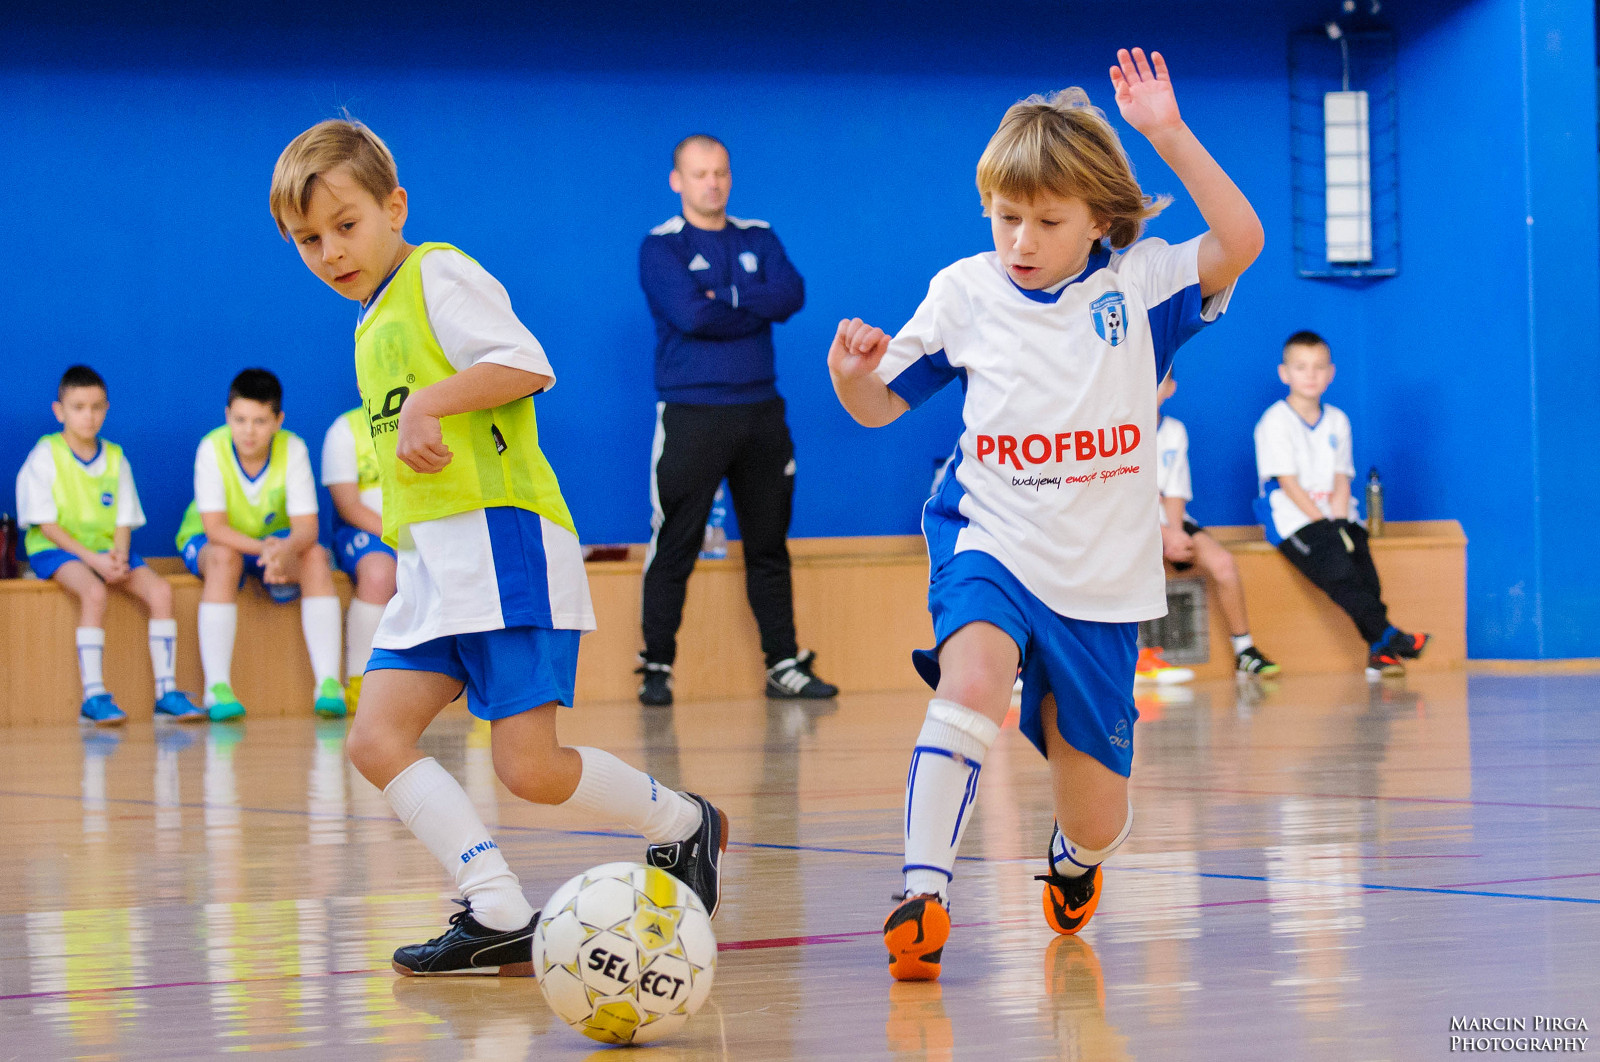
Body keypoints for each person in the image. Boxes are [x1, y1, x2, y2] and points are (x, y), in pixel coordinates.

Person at [828, 49, 1262, 981]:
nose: (1020, 238)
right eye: (1005, 216)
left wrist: (1168, 132)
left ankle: (1071, 863)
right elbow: (879, 407)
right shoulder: (964, 292)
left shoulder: (1141, 286)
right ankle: (922, 895)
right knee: (973, 674)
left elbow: (1242, 237)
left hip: (1102, 584)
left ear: (1098, 218)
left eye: (1046, 220)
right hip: (990, 535)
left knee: (1099, 817)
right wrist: (849, 378)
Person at [270, 118, 730, 975]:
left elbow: (526, 363)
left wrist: (428, 404)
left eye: (346, 225)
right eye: (307, 239)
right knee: (374, 739)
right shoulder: (368, 321)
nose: (329, 250)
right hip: (429, 565)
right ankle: (499, 910)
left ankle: (684, 823)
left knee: (528, 768)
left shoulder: (437, 271)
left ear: (393, 206)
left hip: (503, 541)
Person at [636, 133, 837, 706]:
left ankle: (783, 664)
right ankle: (656, 665)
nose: (712, 183)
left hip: (760, 412)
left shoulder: (759, 235)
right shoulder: (660, 247)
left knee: (769, 544)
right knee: (675, 540)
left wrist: (722, 297)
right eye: (700, 174)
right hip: (692, 412)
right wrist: (749, 298)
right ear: (678, 180)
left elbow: (791, 295)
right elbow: (689, 315)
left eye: (720, 172)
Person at [15, 365, 203, 724]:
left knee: (162, 591)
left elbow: (123, 519)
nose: (88, 415)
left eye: (97, 406)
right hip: (57, 551)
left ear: (107, 409)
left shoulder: (115, 457)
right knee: (94, 593)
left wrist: (117, 556)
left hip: (105, 553)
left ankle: (166, 692)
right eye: (78, 407)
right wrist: (94, 562)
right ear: (60, 411)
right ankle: (94, 697)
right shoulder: (46, 454)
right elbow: (47, 526)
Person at [1253, 331, 1429, 677]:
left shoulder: (1337, 420)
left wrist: (1338, 520)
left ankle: (1381, 650)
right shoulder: (1275, 421)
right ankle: (1391, 637)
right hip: (1295, 518)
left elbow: (1341, 476)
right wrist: (1323, 523)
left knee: (1366, 573)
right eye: (1301, 367)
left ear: (1331, 373)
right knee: (1339, 573)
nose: (1311, 375)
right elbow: (1287, 483)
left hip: (1335, 513)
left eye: (1319, 367)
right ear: (1284, 373)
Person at [175, 368, 344, 720]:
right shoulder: (211, 448)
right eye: (239, 419)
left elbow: (306, 528)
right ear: (227, 416)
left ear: (278, 420)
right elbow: (215, 528)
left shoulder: (293, 448)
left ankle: (328, 684)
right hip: (214, 542)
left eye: (260, 421)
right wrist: (270, 550)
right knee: (223, 558)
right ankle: (216, 689)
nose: (248, 431)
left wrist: (285, 549)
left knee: (314, 556)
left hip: (270, 545)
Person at [1155, 368, 1278, 676]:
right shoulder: (1115, 429)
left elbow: (1175, 491)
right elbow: (1123, 500)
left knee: (1222, 562)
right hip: (1128, 527)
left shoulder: (1174, 431)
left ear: (1171, 388)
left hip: (1169, 523)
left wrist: (1175, 533)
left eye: (1159, 379)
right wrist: (1162, 535)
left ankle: (1244, 650)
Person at [322, 403, 395, 713]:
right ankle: (359, 682)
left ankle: (480, 687)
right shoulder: (345, 429)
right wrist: (401, 538)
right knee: (379, 574)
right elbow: (348, 506)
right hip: (366, 532)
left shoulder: (436, 419)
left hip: (426, 528)